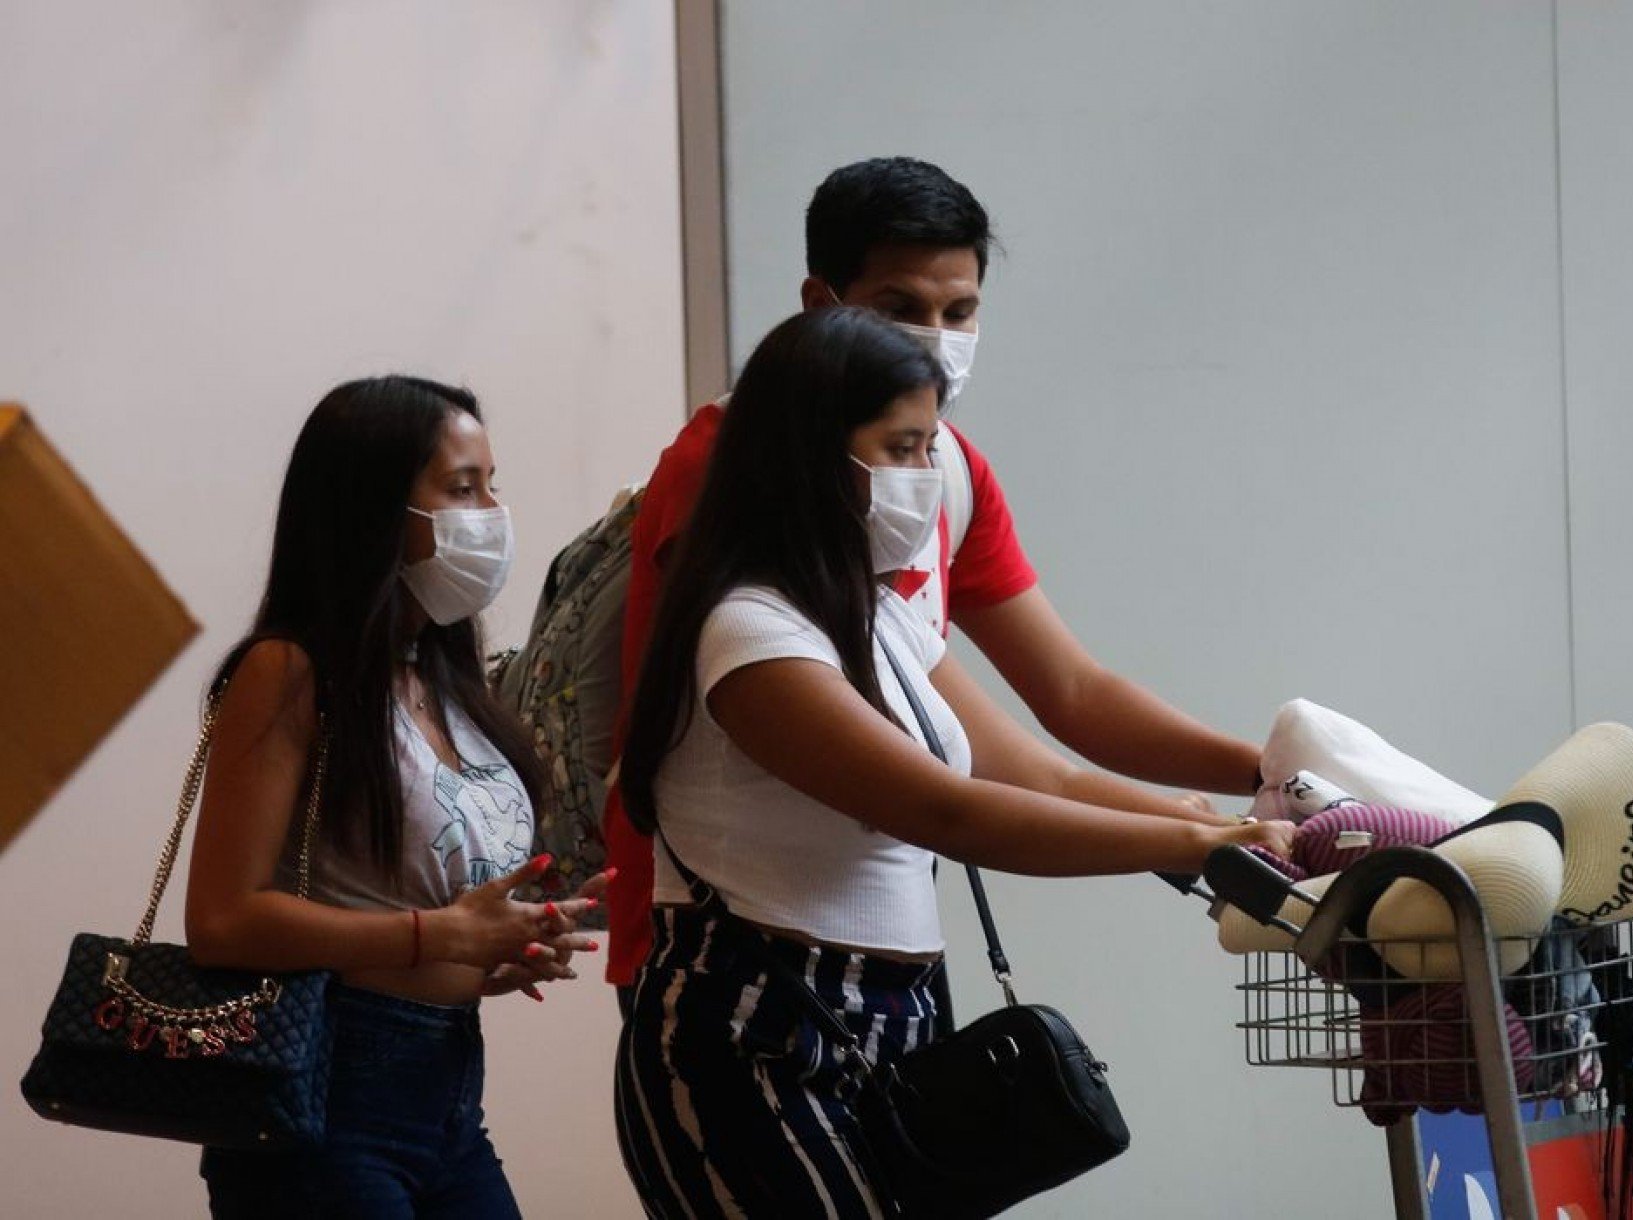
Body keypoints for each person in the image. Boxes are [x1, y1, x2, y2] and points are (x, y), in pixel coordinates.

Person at [611, 307, 1292, 1217]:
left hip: (894, 1022)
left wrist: (1210, 818)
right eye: (900, 448)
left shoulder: (877, 613)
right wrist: (1190, 848)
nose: (925, 478)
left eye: (930, 448)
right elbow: (949, 813)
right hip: (757, 1027)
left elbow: (1042, 775)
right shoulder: (749, 632)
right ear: (805, 454)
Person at [601, 155, 1265, 999]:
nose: (938, 339)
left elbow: (1069, 697)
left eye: (961, 311)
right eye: (901, 309)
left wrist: (1262, 783)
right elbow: (943, 805)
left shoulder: (943, 480)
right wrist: (1188, 841)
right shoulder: (737, 505)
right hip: (740, 948)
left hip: (881, 957)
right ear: (823, 305)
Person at [184, 376, 606, 1218]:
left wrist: (502, 941)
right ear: (371, 511)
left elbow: (405, 905)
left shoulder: (442, 679)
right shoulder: (290, 671)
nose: (491, 512)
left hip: (446, 1090)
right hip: (325, 1098)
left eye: (492, 483)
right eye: (460, 489)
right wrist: (438, 934)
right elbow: (223, 921)